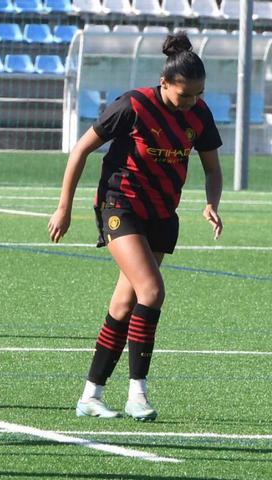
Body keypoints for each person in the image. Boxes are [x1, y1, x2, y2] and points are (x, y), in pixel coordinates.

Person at [48, 32, 223, 422]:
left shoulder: (200, 114)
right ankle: (137, 395)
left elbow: (212, 169)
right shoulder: (132, 106)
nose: (191, 102)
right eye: (184, 95)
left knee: (125, 303)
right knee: (152, 289)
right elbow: (80, 150)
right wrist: (65, 208)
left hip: (161, 214)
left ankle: (90, 395)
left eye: (198, 94)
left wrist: (212, 203)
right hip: (120, 205)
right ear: (164, 83)